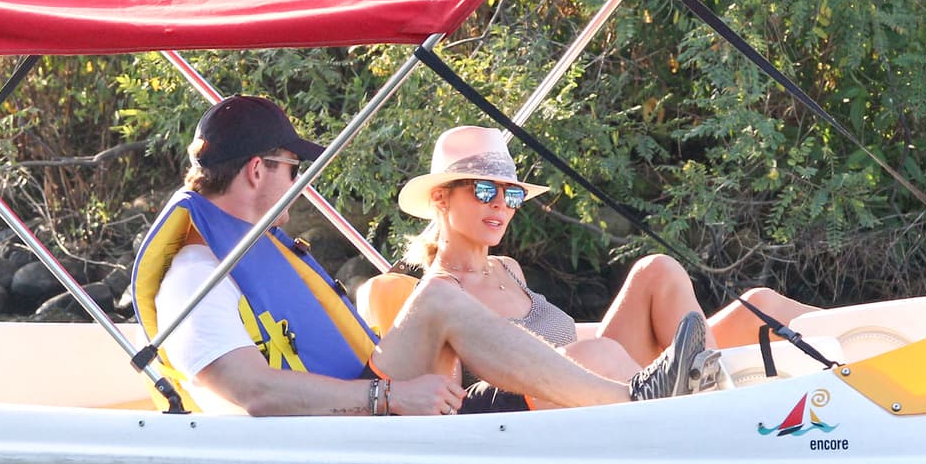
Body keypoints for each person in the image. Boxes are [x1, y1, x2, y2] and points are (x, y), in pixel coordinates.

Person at [130, 95, 715, 416]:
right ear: (259, 170)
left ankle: (650, 399)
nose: (299, 182)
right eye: (292, 168)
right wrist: (387, 396)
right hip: (338, 427)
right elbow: (253, 393)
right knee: (438, 293)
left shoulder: (260, 254)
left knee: (441, 300)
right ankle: (632, 402)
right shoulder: (196, 277)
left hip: (365, 392)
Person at [381, 125, 820, 367]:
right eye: (483, 191)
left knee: (698, 283)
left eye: (511, 194)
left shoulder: (508, 268)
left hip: (607, 366)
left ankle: (882, 351)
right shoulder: (441, 297)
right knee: (607, 341)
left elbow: (570, 333)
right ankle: (716, 395)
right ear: (441, 198)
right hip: (568, 404)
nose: (501, 204)